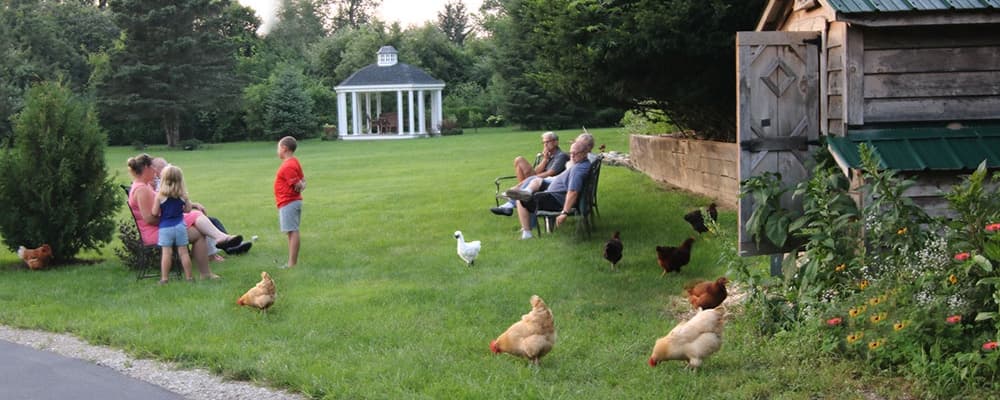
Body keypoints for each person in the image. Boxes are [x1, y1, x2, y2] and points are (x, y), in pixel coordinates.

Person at [127, 154, 239, 280]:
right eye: (153, 167)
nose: (155, 170)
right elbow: (149, 219)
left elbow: (164, 201)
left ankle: (217, 244)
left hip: (164, 225)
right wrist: (172, 218)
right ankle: (209, 262)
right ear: (146, 168)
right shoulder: (142, 190)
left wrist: (189, 206)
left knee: (197, 222)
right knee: (197, 225)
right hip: (156, 231)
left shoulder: (144, 185)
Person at [151, 157, 251, 259]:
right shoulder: (157, 186)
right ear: (155, 170)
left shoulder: (164, 184)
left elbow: (176, 201)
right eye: (164, 167)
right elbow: (170, 204)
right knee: (204, 221)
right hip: (172, 222)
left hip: (175, 218)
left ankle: (229, 244)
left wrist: (194, 204)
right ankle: (216, 252)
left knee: (212, 220)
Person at [508, 141, 592, 239]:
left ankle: (527, 234)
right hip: (556, 194)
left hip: (556, 200)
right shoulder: (582, 164)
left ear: (584, 153)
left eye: (575, 153)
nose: (572, 156)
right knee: (535, 182)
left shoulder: (577, 170)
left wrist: (564, 212)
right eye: (571, 153)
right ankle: (523, 195)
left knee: (521, 199)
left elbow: (573, 192)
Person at [491, 132, 570, 216]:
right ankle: (515, 198)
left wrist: (528, 180)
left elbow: (550, 173)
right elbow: (537, 172)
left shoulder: (561, 156)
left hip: (549, 185)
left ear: (556, 142)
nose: (545, 145)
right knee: (519, 160)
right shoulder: (548, 155)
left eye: (547, 142)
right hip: (538, 182)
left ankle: (513, 199)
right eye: (543, 142)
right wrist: (545, 159)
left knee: (528, 172)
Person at [152, 165, 194, 284]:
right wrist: (186, 202)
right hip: (180, 226)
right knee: (184, 252)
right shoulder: (183, 195)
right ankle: (189, 277)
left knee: (167, 253)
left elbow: (154, 212)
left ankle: (164, 279)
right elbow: (188, 210)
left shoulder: (160, 196)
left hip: (165, 228)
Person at [274, 136, 305, 269]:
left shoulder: (288, 166)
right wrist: (302, 185)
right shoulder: (294, 161)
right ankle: (291, 261)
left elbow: (298, 184)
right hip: (289, 202)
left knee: (292, 231)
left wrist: (300, 186)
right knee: (291, 231)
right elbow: (303, 180)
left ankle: (292, 263)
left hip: (288, 202)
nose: (277, 151)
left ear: (284, 148)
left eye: (278, 148)